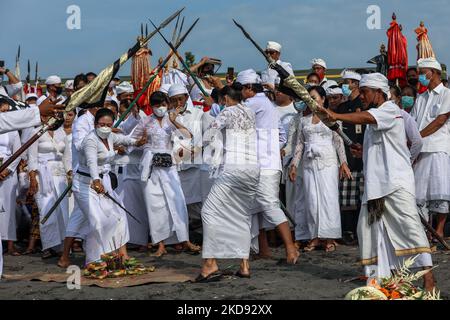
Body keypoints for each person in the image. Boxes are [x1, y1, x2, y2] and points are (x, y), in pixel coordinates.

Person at [319, 72, 435, 291]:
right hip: (375, 186)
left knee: (410, 229)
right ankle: (381, 281)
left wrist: (335, 115)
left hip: (395, 183)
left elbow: (368, 118)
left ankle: (429, 279)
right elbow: (380, 144)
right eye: (361, 91)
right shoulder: (377, 115)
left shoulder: (390, 109)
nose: (361, 96)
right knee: (371, 232)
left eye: (365, 92)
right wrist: (364, 151)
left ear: (379, 93)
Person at [198, 84, 260, 281]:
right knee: (241, 215)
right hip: (253, 169)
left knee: (208, 211)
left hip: (234, 168)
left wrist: (191, 148)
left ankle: (210, 264)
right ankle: (244, 265)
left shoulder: (226, 112)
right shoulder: (249, 111)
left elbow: (209, 135)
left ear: (225, 99)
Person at [236, 69, 299, 264]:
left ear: (248, 88)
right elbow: (281, 135)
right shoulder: (269, 104)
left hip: (264, 165)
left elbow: (232, 118)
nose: (238, 94)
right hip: (265, 163)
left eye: (239, 90)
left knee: (269, 204)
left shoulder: (252, 103)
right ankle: (264, 250)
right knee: (256, 206)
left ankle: (291, 248)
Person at [73, 108, 146, 264]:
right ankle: (95, 260)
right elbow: (92, 161)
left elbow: (124, 139)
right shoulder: (90, 140)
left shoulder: (110, 136)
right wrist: (96, 180)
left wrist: (137, 142)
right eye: (102, 124)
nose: (105, 127)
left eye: (108, 124)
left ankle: (114, 253)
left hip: (102, 183)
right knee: (97, 222)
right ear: (95, 124)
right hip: (86, 184)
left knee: (118, 217)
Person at [132, 91, 200, 256]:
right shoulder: (146, 121)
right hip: (151, 167)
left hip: (169, 166)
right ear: (151, 106)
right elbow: (133, 140)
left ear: (167, 104)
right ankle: (160, 244)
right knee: (155, 205)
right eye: (156, 105)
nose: (160, 108)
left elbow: (188, 136)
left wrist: (174, 120)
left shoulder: (172, 119)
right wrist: (141, 144)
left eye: (163, 104)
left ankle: (185, 240)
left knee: (177, 200)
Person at [289, 86, 351, 252]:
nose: (310, 101)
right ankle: (315, 236)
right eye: (308, 98)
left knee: (328, 198)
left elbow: (338, 142)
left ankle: (329, 237)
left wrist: (343, 163)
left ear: (323, 99)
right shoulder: (303, 120)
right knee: (312, 199)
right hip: (309, 162)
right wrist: (294, 164)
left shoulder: (332, 118)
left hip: (328, 162)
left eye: (314, 97)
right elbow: (299, 145)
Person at [411, 58, 450, 240]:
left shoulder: (446, 94)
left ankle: (439, 230)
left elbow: (440, 121)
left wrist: (416, 138)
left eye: (422, 72)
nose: (420, 76)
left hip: (438, 148)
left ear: (433, 73)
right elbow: (412, 122)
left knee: (439, 191)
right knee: (419, 194)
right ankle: (425, 231)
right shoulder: (421, 97)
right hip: (421, 150)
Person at [27, 112, 72, 259]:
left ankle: (62, 246)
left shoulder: (61, 133)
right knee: (46, 209)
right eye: (46, 116)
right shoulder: (36, 132)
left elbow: (67, 157)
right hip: (43, 175)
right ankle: (48, 245)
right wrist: (33, 179)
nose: (49, 118)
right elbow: (32, 157)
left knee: (63, 210)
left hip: (60, 175)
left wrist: (70, 174)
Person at [336, 69, 364, 245]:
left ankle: (361, 231)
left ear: (355, 84)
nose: (345, 86)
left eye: (347, 82)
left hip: (363, 155)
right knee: (347, 198)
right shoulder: (342, 108)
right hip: (346, 154)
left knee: (362, 197)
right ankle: (349, 231)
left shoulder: (364, 105)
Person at [0, 114, 21, 256]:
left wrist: (7, 170)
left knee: (8, 207)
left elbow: (18, 152)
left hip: (8, 170)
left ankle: (10, 243)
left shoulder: (12, 129)